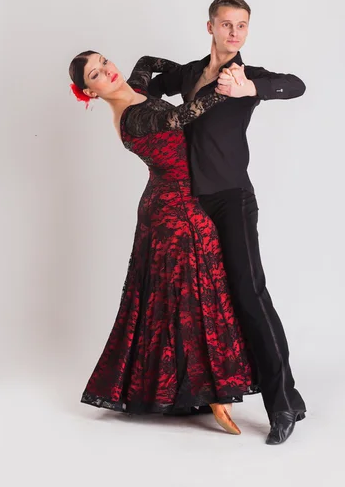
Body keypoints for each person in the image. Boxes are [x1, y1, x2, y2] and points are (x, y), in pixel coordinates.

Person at [69, 51, 260, 435]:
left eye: (104, 61)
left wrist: (190, 74)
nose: (108, 70)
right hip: (175, 212)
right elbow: (182, 117)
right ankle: (215, 394)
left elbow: (146, 60)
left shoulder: (135, 90)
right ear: (90, 92)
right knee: (196, 297)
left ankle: (189, 387)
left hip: (175, 202)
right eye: (97, 74)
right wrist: (224, 85)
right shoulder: (133, 116)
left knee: (183, 297)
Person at [145, 0, 307, 445]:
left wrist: (250, 90)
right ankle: (199, 394)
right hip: (190, 205)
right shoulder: (191, 73)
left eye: (242, 26)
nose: (234, 33)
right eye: (226, 24)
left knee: (250, 296)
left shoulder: (246, 76)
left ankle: (283, 404)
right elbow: (149, 85)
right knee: (203, 301)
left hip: (233, 200)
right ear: (211, 27)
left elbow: (295, 84)